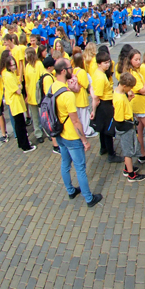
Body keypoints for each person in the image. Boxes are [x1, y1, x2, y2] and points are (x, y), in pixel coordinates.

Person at [51, 58, 103, 208]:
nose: (72, 70)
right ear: (63, 71)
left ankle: (70, 190)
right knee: (80, 168)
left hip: (59, 133)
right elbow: (75, 121)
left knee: (65, 163)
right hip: (72, 136)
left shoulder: (53, 86)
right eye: (69, 68)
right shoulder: (67, 95)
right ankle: (88, 198)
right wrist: (84, 140)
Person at [114, 72, 145, 182]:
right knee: (128, 152)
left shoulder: (120, 94)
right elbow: (119, 119)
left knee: (128, 148)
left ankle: (127, 168)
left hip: (127, 125)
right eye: (130, 87)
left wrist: (129, 100)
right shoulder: (119, 99)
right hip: (125, 128)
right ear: (124, 86)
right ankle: (131, 174)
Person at [91, 50, 123, 163]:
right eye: (105, 63)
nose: (107, 65)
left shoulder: (98, 73)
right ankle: (111, 154)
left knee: (102, 129)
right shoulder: (100, 77)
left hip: (104, 104)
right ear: (99, 63)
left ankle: (103, 148)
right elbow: (96, 97)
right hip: (105, 104)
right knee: (108, 130)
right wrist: (93, 111)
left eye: (108, 62)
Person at [1, 54, 36, 153]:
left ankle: (22, 143)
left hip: (17, 103)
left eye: (14, 65)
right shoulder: (9, 76)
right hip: (15, 103)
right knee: (20, 125)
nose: (14, 67)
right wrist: (19, 86)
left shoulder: (10, 74)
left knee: (19, 124)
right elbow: (18, 90)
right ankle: (25, 146)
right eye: (11, 65)